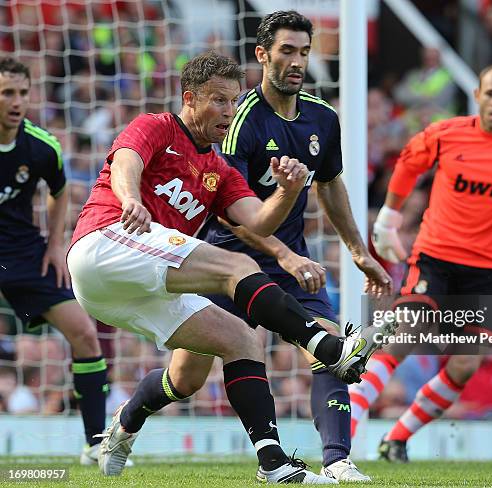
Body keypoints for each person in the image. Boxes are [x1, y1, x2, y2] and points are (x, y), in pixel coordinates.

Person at [67, 51, 387, 483]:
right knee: (236, 263)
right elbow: (127, 161)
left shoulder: (219, 170)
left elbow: (258, 221)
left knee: (240, 341)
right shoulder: (157, 127)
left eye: (234, 101)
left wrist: (289, 192)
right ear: (190, 99)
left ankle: (273, 464)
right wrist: (130, 199)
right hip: (105, 244)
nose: (228, 111)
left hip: (137, 283)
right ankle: (328, 348)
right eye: (218, 100)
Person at [200, 10, 390, 482]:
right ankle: (126, 423)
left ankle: (337, 460)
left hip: (291, 264)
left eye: (304, 51)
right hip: (230, 263)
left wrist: (358, 251)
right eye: (287, 50)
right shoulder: (240, 120)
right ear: (262, 54)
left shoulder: (323, 119)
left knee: (331, 348)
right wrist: (282, 253)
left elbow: (330, 185)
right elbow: (226, 209)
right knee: (183, 379)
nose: (297, 61)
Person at [349, 64, 492, 461]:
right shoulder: (447, 133)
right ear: (477, 95)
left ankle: (396, 438)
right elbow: (408, 164)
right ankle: (344, 434)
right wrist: (388, 217)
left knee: (465, 365)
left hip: (487, 271)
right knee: (406, 334)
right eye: (490, 93)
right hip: (436, 256)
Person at [0, 57, 108, 464]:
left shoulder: (41, 145)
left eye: (22, 93)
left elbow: (60, 191)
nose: (17, 101)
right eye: (7, 93)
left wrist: (55, 244)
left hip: (24, 253)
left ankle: (96, 444)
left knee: (84, 332)